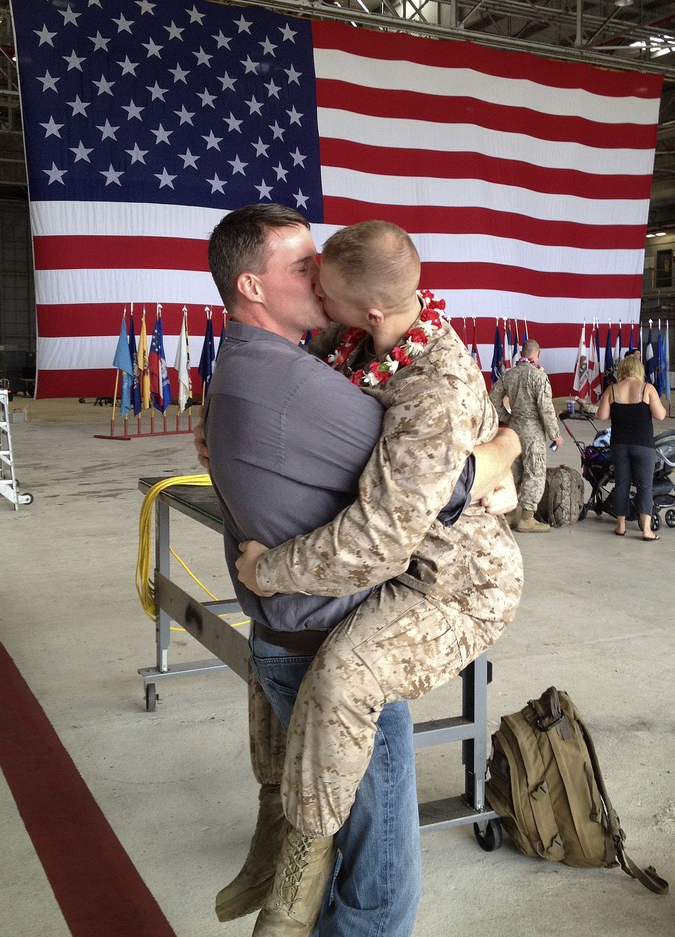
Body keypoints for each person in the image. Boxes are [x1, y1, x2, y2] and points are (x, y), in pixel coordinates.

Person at [200, 205, 521, 937]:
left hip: (447, 583)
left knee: (345, 678)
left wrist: (490, 459)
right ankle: (286, 846)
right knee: (368, 842)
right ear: (252, 287)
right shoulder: (340, 349)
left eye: (323, 272)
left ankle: (294, 870)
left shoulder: (426, 381)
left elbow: (385, 530)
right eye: (303, 267)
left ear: (369, 306)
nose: (317, 283)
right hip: (383, 581)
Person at [488, 338, 564, 533]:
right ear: (537, 354)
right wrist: (555, 434)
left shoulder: (509, 374)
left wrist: (508, 417)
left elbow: (493, 400)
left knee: (513, 471)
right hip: (533, 431)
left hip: (513, 429)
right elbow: (546, 409)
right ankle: (527, 518)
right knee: (534, 472)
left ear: (521, 353)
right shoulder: (539, 377)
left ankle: (509, 513)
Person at [596, 352, 666, 539]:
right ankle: (646, 530)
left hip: (619, 444)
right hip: (643, 445)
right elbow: (660, 415)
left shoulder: (612, 389)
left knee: (622, 484)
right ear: (639, 370)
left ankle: (620, 526)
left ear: (622, 370)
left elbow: (601, 416)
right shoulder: (647, 388)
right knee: (644, 486)